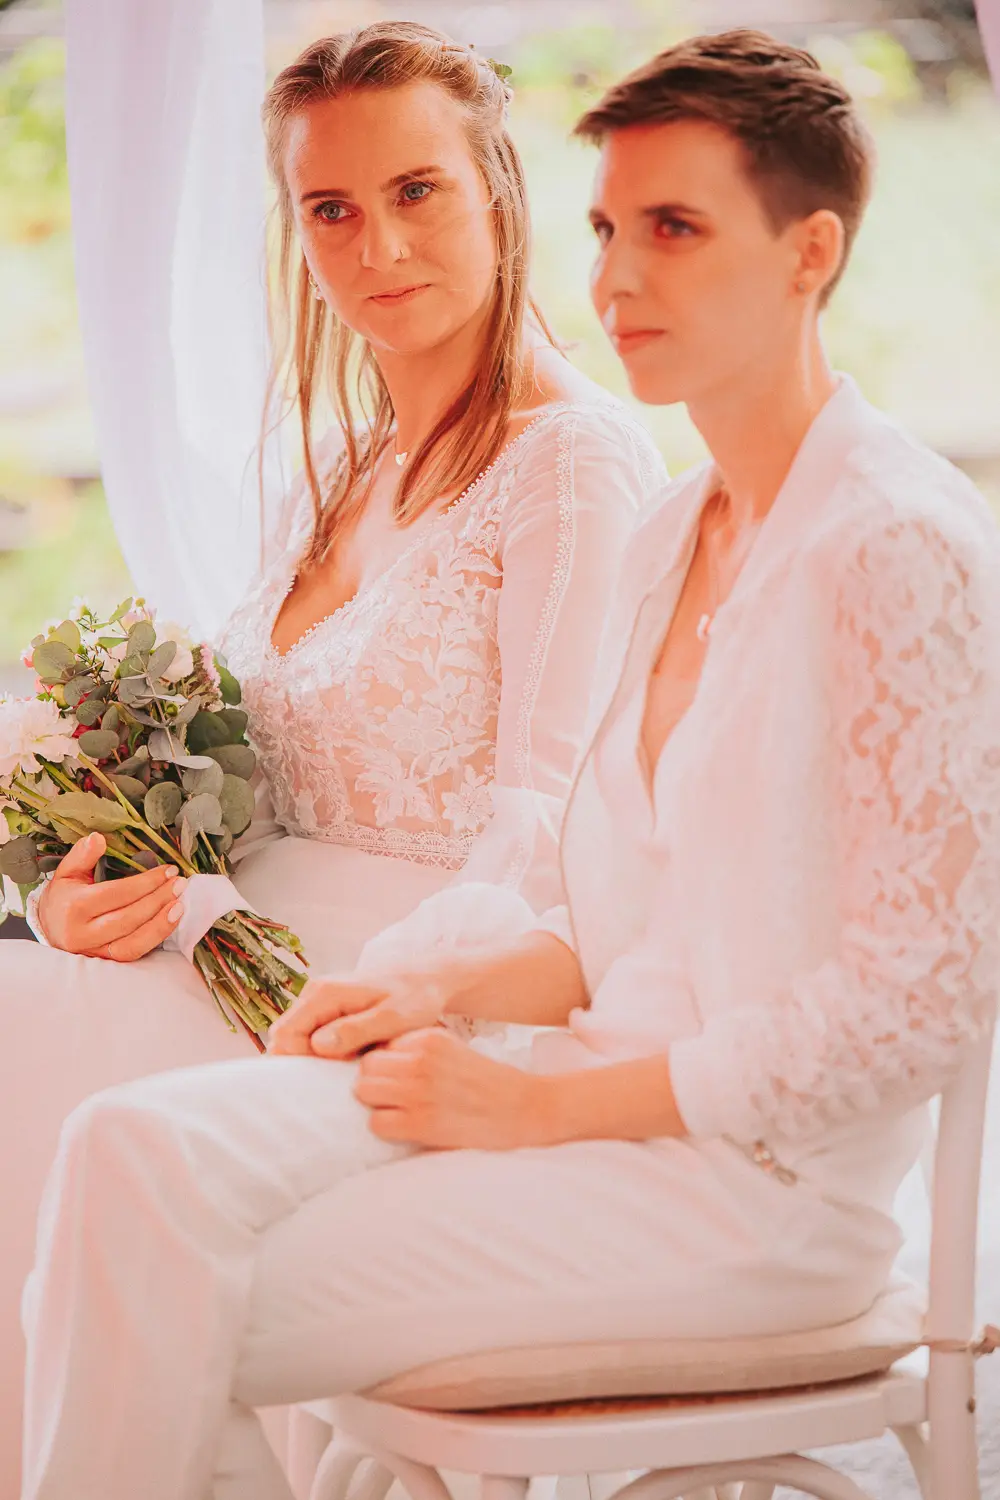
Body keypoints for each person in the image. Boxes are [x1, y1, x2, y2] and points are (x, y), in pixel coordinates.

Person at [21, 30, 1000, 1500]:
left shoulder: (899, 543)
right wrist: (420, 986)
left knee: (136, 1285)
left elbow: (930, 1004)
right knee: (121, 1163)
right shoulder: (682, 534)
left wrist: (541, 1109)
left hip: (754, 1195)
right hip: (588, 1107)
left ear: (812, 252)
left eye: (674, 227)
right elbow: (603, 903)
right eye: (608, 226)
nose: (614, 279)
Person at [0, 22, 663, 1496]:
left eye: (417, 191)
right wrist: (78, 886)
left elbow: (549, 831)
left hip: (408, 988)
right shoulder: (335, 474)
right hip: (232, 942)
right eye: (332, 209)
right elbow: (242, 775)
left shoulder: (575, 464)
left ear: (496, 187)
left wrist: (346, 987)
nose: (380, 245)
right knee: (26, 987)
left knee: (37, 1046)